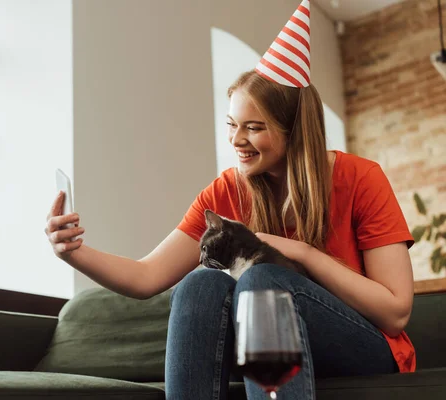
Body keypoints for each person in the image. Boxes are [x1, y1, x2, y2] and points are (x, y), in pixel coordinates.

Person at [45, 1, 416, 398]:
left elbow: (395, 313)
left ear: (295, 132)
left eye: (253, 128)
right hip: (270, 344)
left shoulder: (361, 178)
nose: (237, 141)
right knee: (199, 283)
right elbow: (146, 277)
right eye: (232, 125)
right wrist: (73, 253)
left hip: (364, 345)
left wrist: (304, 253)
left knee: (262, 278)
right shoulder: (226, 191)